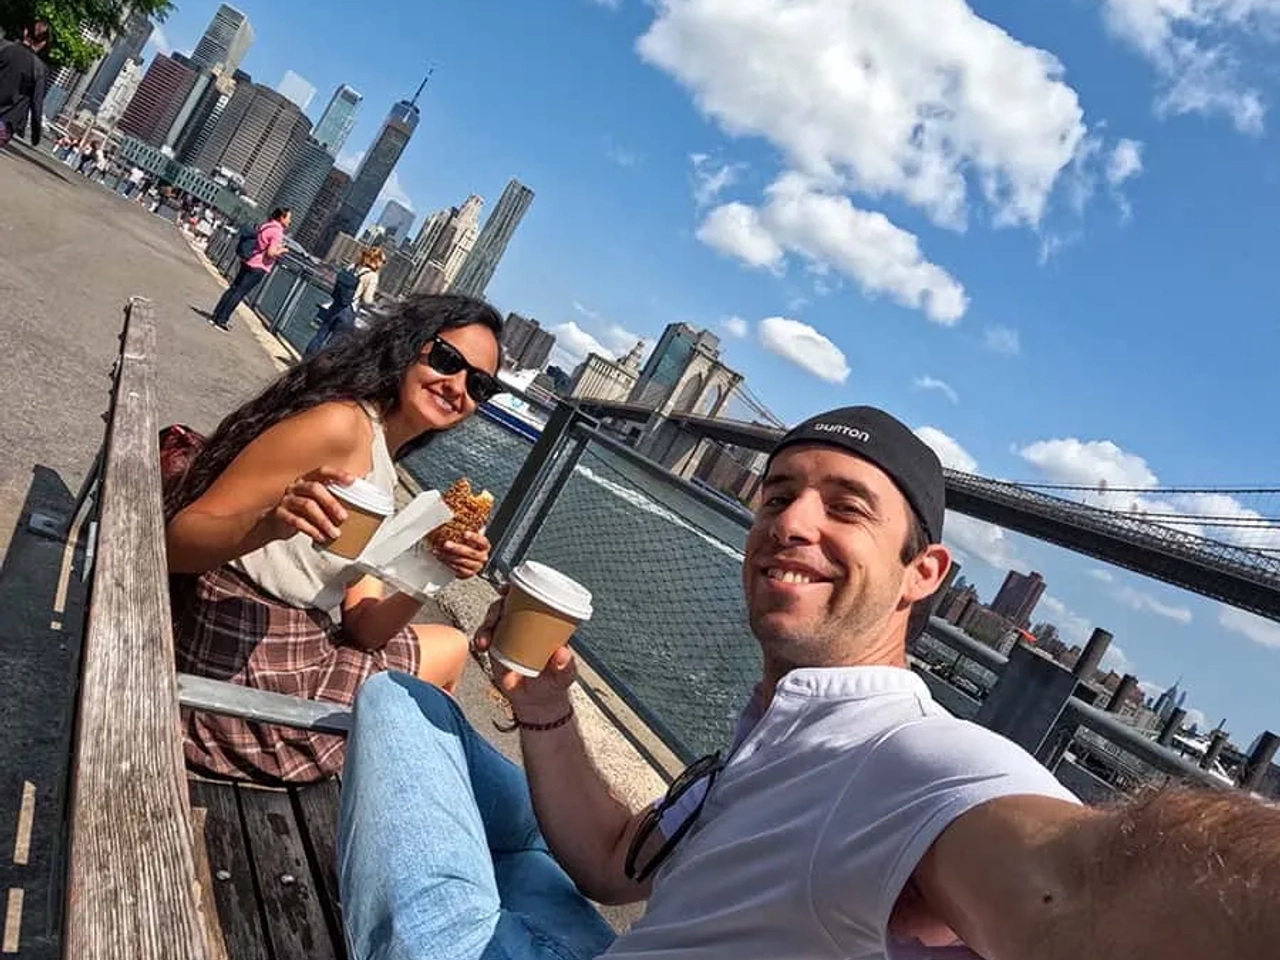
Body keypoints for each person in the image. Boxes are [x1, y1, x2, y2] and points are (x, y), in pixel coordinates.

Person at [337, 405, 1280, 959]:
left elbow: (1082, 885)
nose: (792, 523)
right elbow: (618, 863)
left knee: (391, 698)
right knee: (419, 705)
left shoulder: (913, 759)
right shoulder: (777, 723)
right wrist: (544, 710)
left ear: (924, 574)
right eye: (779, 495)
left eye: (847, 507)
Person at [165, 294, 506, 783]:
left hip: (292, 654)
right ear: (411, 347)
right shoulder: (341, 424)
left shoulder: (380, 460)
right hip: (234, 679)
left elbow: (366, 628)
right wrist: (270, 523)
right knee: (444, 666)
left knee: (450, 645)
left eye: (479, 384)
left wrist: (432, 570)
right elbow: (177, 541)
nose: (457, 387)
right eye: (448, 360)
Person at [209, 207, 291, 331]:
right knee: (239, 293)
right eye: (289, 218)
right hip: (259, 266)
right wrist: (282, 250)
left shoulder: (266, 225)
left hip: (248, 260)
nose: (290, 221)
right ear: (282, 218)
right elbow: (270, 253)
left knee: (233, 289)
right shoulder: (277, 232)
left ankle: (216, 315)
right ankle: (222, 320)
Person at [304, 247, 386, 358]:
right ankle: (318, 369)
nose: (383, 265)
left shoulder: (352, 267)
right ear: (377, 260)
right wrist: (374, 304)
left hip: (335, 305)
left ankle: (305, 361)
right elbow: (367, 299)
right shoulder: (372, 276)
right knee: (333, 346)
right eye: (383, 261)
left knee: (320, 335)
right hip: (349, 311)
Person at [0, 21, 48, 151]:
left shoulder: (3, 47)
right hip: (6, 121)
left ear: (26, 32)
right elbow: (36, 104)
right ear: (43, 43)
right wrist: (36, 133)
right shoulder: (39, 69)